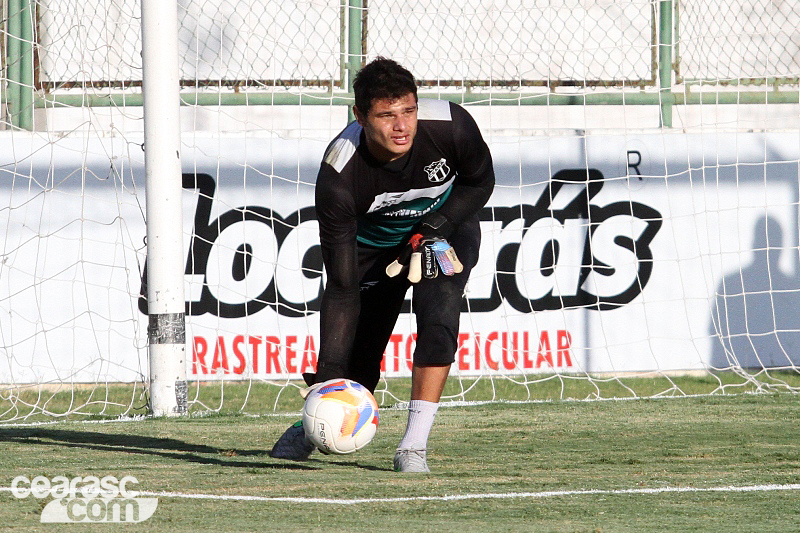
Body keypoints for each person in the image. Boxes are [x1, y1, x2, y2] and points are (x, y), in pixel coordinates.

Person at [269, 57, 495, 472]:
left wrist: (433, 226)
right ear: (359, 115)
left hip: (442, 229)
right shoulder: (339, 172)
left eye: (408, 110)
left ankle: (413, 446)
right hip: (372, 251)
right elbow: (341, 288)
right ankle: (316, 424)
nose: (402, 126)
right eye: (386, 115)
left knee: (440, 312)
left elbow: (480, 182)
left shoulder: (451, 125)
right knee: (359, 362)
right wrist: (330, 376)